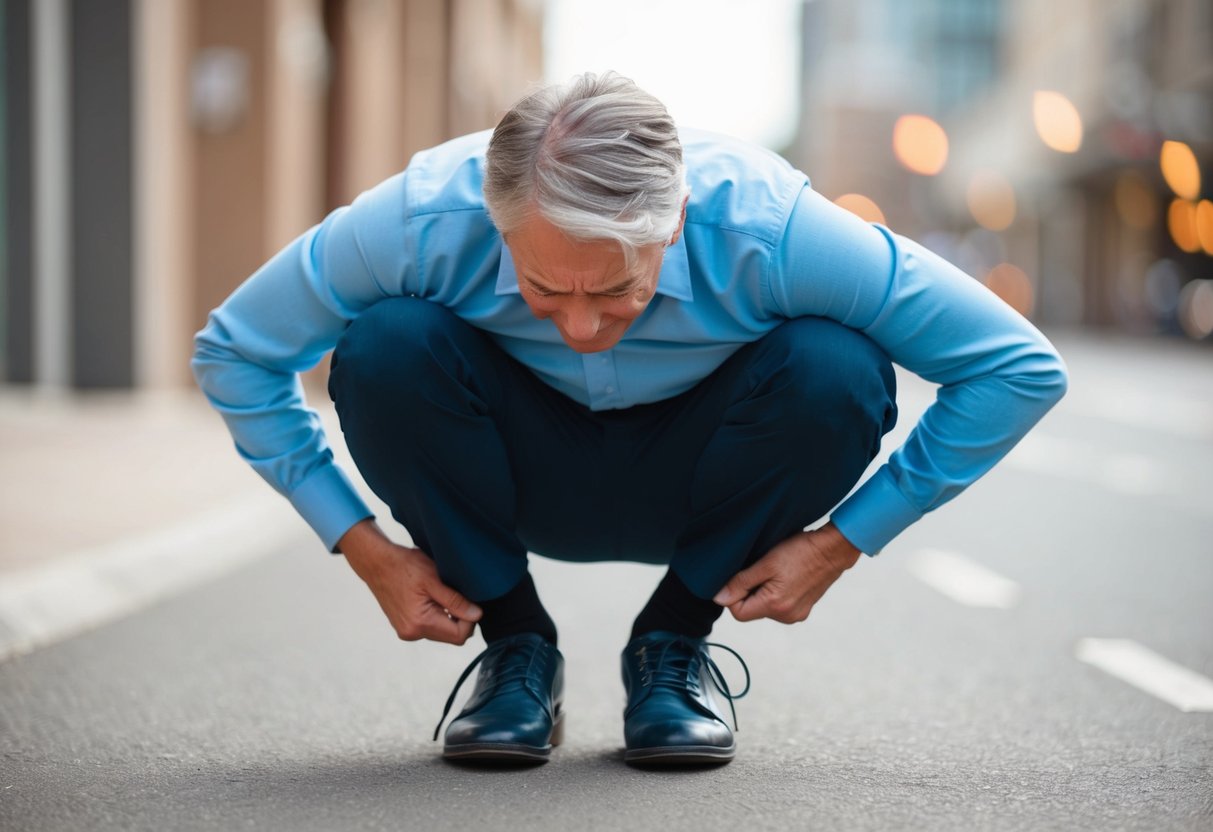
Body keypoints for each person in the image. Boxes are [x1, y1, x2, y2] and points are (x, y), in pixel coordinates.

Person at [192, 72, 1068, 766]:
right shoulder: (422, 219)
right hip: (508, 479)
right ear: (495, 227)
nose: (578, 327)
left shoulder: (771, 228)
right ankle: (517, 647)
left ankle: (672, 644)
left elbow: (1015, 368)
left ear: (676, 221)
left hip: (703, 493)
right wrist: (360, 545)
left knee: (834, 367)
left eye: (616, 290)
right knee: (385, 344)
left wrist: (845, 540)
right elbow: (235, 352)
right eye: (543, 288)